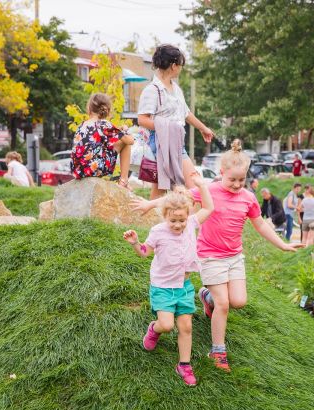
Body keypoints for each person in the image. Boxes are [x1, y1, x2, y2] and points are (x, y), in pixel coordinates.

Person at [132, 140, 300, 372]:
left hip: (234, 257)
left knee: (238, 301)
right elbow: (177, 200)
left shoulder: (248, 198)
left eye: (242, 180)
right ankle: (218, 351)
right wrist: (150, 204)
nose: (237, 184)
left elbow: (260, 224)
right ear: (221, 173)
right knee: (224, 304)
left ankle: (206, 297)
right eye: (232, 180)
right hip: (210, 255)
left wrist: (282, 245)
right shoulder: (209, 190)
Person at [123, 176, 214, 386]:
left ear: (187, 216)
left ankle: (184, 364)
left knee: (186, 327)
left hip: (184, 287)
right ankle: (154, 329)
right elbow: (145, 252)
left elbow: (209, 208)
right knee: (166, 324)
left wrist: (201, 186)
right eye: (173, 220)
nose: (178, 224)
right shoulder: (158, 232)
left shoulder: (191, 224)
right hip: (163, 287)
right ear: (165, 216)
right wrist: (135, 243)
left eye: (181, 220)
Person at [137, 44, 214, 199]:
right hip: (160, 142)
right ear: (173, 66)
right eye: (180, 65)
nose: (181, 69)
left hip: (176, 141)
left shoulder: (176, 89)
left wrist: (203, 128)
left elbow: (185, 113)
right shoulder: (152, 90)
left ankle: (158, 221)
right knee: (191, 185)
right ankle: (188, 221)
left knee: (164, 189)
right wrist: (168, 128)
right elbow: (142, 119)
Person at [70, 93, 134, 185]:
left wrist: (117, 132)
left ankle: (123, 181)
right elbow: (130, 141)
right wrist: (126, 130)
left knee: (118, 140)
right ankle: (124, 181)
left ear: (89, 108)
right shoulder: (105, 124)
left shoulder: (82, 125)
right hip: (95, 169)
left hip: (78, 171)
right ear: (107, 110)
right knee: (125, 143)